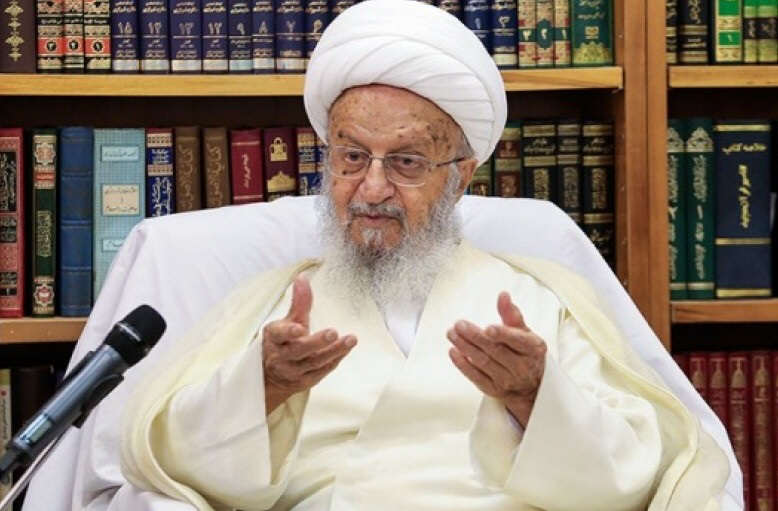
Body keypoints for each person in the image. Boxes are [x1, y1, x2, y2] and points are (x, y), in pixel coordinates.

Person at [117, 1, 732, 510]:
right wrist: (262, 387)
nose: (372, 188)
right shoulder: (275, 306)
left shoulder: (539, 300)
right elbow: (172, 469)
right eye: (351, 157)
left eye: (407, 162)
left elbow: (631, 479)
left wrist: (535, 396)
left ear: (460, 176)